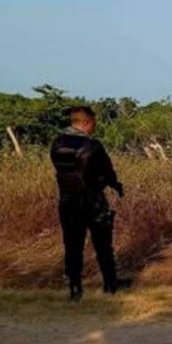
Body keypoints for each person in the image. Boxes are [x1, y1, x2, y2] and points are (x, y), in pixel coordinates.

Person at [50, 106, 124, 302]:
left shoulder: (57, 144)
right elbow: (108, 172)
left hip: (67, 202)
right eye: (93, 124)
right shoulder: (93, 146)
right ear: (86, 123)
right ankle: (110, 285)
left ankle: (75, 288)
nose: (94, 128)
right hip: (93, 201)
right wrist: (116, 185)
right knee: (103, 245)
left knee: (72, 246)